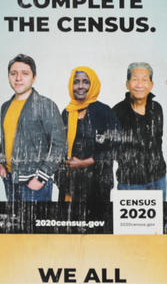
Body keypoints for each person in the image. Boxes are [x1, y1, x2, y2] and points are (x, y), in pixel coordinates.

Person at [1, 54, 66, 201]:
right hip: (10, 180)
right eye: (13, 73)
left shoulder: (45, 105)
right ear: (9, 77)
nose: (18, 78)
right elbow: (3, 139)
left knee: (35, 223)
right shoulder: (5, 107)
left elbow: (60, 145)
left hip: (34, 183)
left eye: (25, 73)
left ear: (34, 77)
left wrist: (41, 178)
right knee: (15, 223)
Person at [58, 66, 120, 204]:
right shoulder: (67, 113)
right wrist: (60, 178)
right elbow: (58, 146)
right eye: (76, 82)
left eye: (86, 82)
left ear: (93, 85)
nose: (80, 86)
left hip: (97, 184)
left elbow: (116, 147)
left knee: (96, 224)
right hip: (70, 184)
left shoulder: (104, 112)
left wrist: (84, 163)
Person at [112, 62, 167, 199]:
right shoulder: (117, 112)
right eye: (135, 79)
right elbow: (111, 147)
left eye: (144, 80)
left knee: (160, 218)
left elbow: (158, 139)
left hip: (158, 179)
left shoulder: (156, 108)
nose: (140, 84)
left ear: (151, 84)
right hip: (130, 182)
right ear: (127, 84)